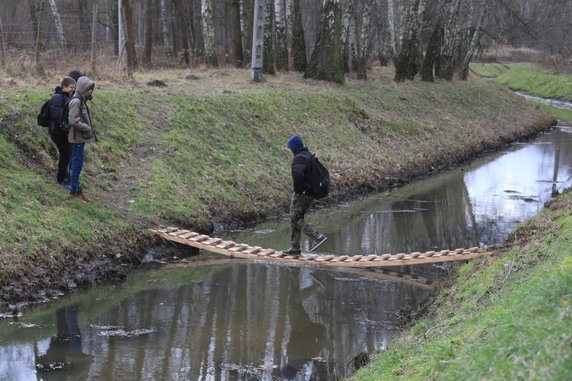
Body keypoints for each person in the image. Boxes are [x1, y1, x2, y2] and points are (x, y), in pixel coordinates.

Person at [282, 135, 327, 256]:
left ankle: (317, 236)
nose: (290, 150)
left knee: (295, 218)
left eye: (290, 147)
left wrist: (298, 191)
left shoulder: (299, 158)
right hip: (310, 194)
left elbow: (297, 176)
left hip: (303, 194)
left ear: (294, 147)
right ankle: (295, 248)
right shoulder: (308, 156)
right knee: (296, 218)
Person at [68, 76, 96, 201]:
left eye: (92, 89)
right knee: (76, 165)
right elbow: (73, 120)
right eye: (89, 89)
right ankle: (74, 192)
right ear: (83, 88)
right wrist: (87, 128)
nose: (91, 91)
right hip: (77, 139)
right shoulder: (76, 101)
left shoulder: (82, 100)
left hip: (80, 139)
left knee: (76, 164)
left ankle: (77, 189)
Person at [48, 77, 76, 189]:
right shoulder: (57, 97)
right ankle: (61, 179)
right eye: (71, 87)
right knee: (65, 154)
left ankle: (66, 176)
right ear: (64, 86)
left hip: (65, 131)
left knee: (68, 153)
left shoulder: (67, 97)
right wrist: (65, 127)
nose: (72, 90)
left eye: (74, 88)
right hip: (58, 132)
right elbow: (56, 116)